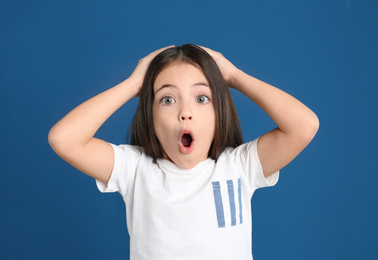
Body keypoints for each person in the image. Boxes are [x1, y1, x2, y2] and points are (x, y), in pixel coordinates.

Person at [48, 44, 319, 259]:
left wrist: (234, 76)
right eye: (167, 99)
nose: (185, 113)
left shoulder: (239, 165)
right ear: (149, 113)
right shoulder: (134, 168)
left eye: (202, 98)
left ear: (219, 111)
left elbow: (304, 126)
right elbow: (64, 139)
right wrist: (133, 84)